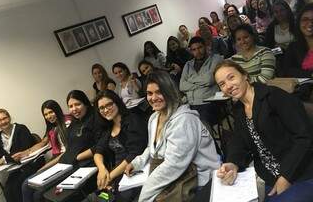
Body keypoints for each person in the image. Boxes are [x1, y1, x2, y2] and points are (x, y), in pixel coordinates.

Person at [214, 60, 313, 202]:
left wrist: (285, 177)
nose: (228, 86)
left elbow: (304, 138)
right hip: (270, 177)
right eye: (222, 84)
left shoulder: (274, 96)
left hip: (300, 171)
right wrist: (232, 163)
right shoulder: (239, 109)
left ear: (245, 75)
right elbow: (238, 142)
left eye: (231, 77)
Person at [125, 71, 220, 202]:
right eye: (149, 93)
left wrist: (145, 195)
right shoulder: (154, 118)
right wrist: (137, 162)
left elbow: (173, 164)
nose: (153, 98)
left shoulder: (184, 120)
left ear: (170, 91)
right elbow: (152, 147)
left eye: (159, 92)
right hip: (176, 176)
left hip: (199, 182)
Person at [93, 90, 148, 201]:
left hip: (132, 171)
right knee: (97, 197)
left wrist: (110, 177)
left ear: (117, 102)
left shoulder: (133, 120)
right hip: (116, 174)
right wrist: (102, 169)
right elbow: (98, 150)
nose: (106, 110)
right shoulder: (109, 127)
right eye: (101, 108)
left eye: (109, 104)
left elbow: (134, 154)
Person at [22, 100, 70, 202]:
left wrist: (44, 167)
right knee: (29, 187)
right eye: (46, 114)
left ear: (57, 110)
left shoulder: (68, 122)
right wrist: (26, 152)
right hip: (56, 159)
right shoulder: (52, 127)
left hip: (64, 160)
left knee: (28, 186)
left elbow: (67, 152)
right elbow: (43, 143)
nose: (49, 116)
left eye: (51, 112)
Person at [0, 109, 44, 202]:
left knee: (16, 187)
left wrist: (4, 158)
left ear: (9, 117)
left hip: (31, 163)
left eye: (5, 118)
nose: (3, 121)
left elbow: (23, 151)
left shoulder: (21, 128)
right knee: (7, 190)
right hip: (16, 168)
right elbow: (1, 155)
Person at [180, 36, 223, 126]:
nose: (198, 52)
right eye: (194, 49)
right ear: (191, 51)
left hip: (209, 102)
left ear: (205, 46)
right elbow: (182, 86)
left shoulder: (216, 59)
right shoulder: (188, 64)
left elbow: (210, 79)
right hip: (190, 104)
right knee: (183, 124)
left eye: (200, 47)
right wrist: (203, 83)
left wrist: (190, 80)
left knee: (201, 123)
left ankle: (210, 140)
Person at [283, 3, 313, 100]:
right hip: (304, 93)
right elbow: (287, 70)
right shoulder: (293, 47)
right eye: (305, 20)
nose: (310, 23)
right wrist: (310, 74)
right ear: (299, 23)